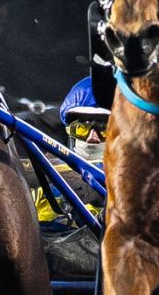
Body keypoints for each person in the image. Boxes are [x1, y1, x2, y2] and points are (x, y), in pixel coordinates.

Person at [34, 77, 110, 280]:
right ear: (70, 131)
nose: (92, 138)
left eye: (103, 128)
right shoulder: (39, 169)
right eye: (82, 128)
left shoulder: (138, 179)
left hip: (98, 273)